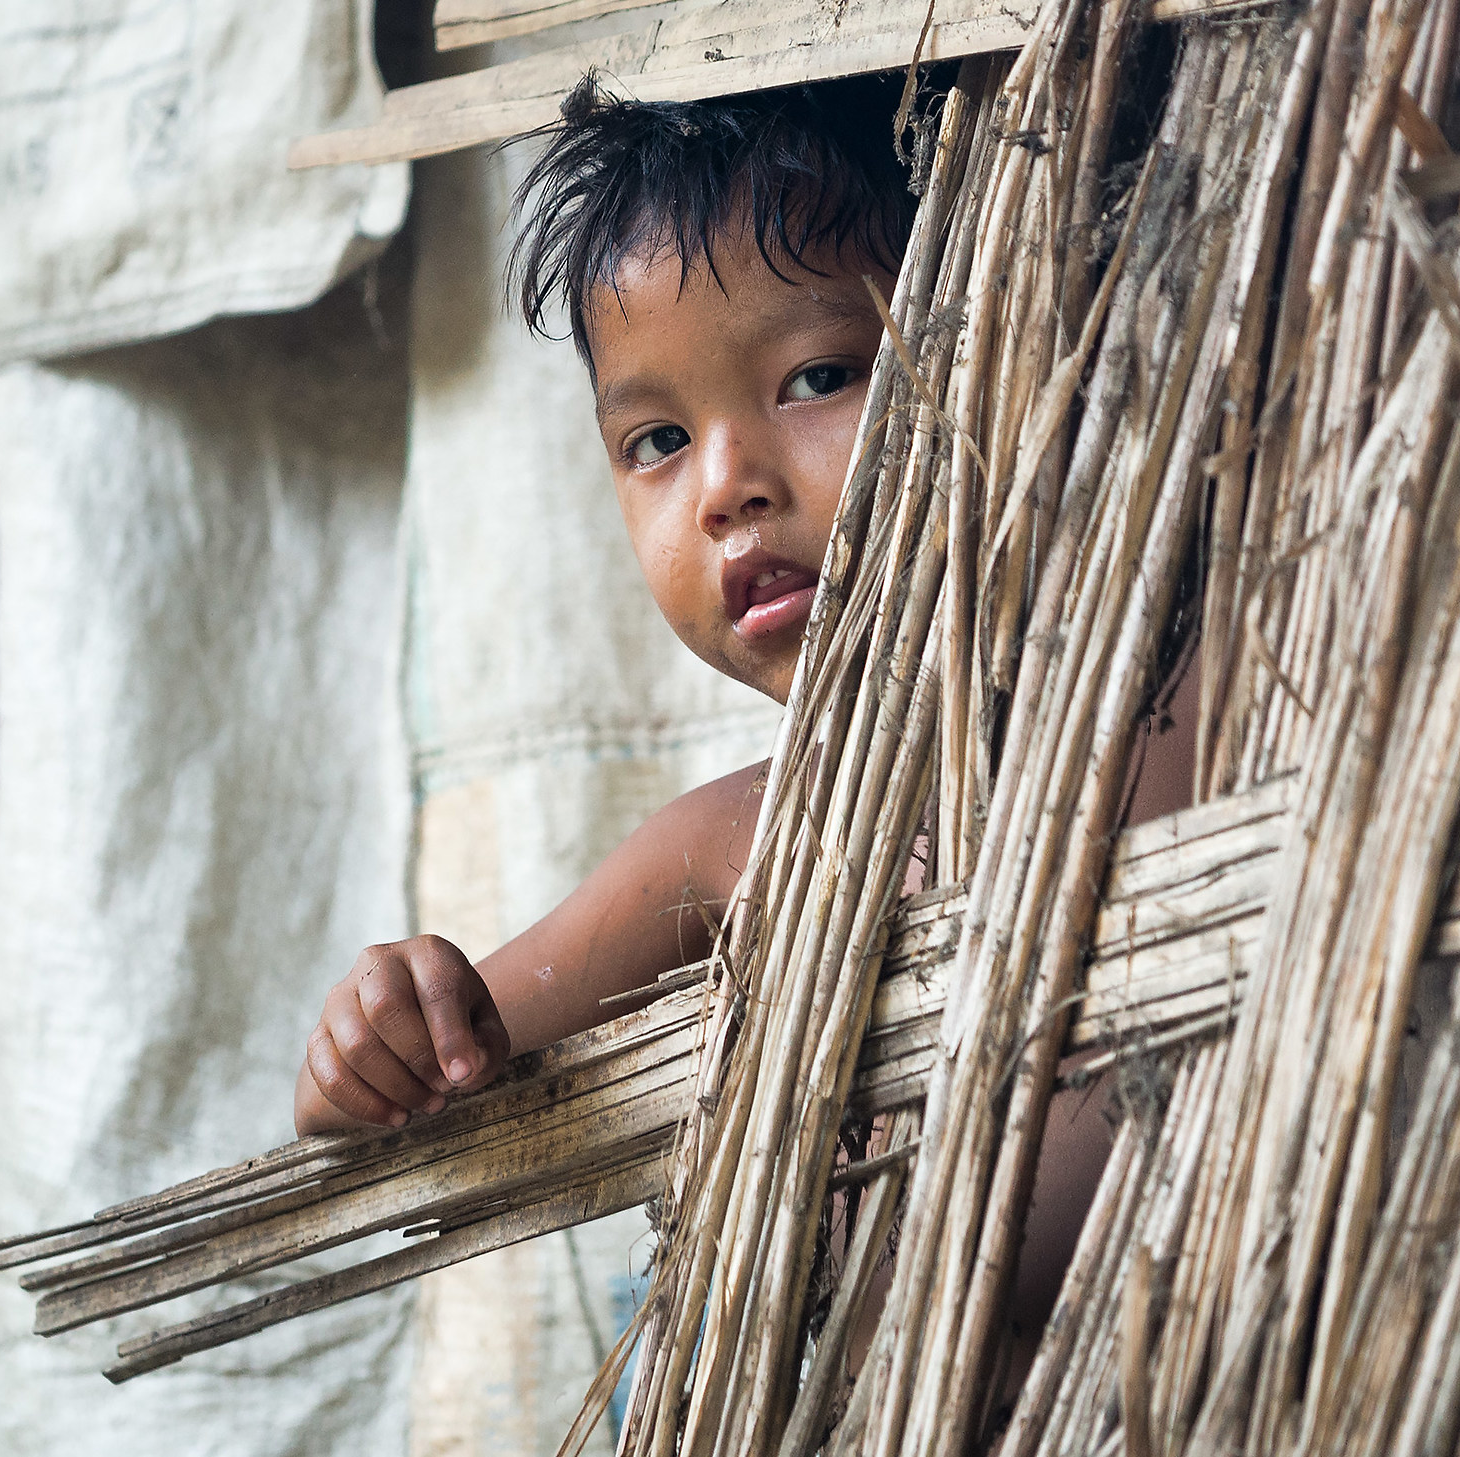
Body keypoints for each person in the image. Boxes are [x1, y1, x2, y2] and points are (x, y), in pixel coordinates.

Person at [292, 81, 1163, 1344]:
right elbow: (426, 1083)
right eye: (654, 440)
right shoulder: (729, 851)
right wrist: (382, 1027)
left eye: (815, 374)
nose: (725, 485)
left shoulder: (1189, 728)